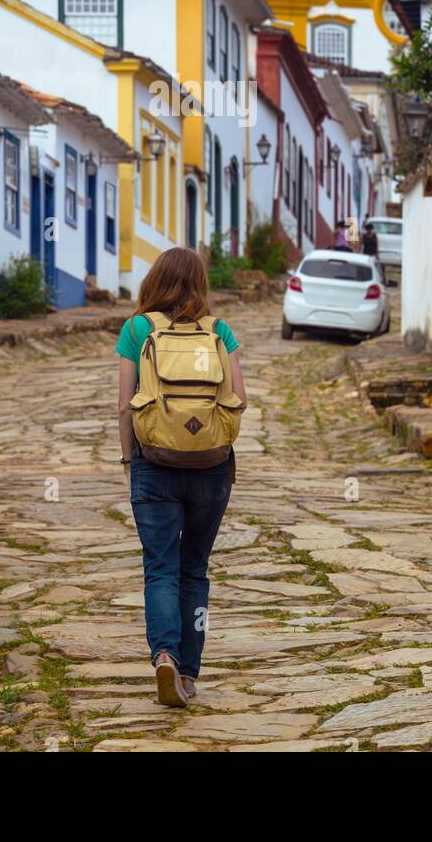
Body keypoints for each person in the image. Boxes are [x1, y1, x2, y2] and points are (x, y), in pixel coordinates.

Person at [116, 247, 248, 707]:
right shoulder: (220, 331)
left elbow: (123, 404)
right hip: (211, 466)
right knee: (195, 569)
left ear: (155, 281)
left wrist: (130, 460)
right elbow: (241, 399)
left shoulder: (137, 329)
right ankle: (189, 674)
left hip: (155, 463)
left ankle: (166, 656)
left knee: (160, 568)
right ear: (200, 285)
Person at [361, 218, 385, 285]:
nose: (369, 231)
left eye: (370, 229)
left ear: (371, 229)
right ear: (366, 230)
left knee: (375, 266)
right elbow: (360, 245)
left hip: (373, 253)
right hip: (366, 253)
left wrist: (377, 254)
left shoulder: (375, 236)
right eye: (367, 229)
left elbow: (377, 245)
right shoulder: (364, 236)